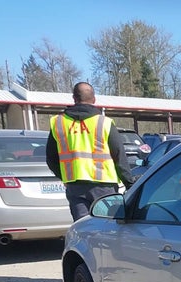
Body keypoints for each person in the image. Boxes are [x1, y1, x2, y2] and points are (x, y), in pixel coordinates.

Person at [46, 82, 137, 221]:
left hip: (75, 186)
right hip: (104, 187)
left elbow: (51, 158)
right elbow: (119, 155)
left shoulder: (59, 122)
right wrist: (130, 184)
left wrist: (65, 177)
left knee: (84, 228)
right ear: (94, 100)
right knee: (107, 228)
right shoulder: (104, 123)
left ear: (74, 99)